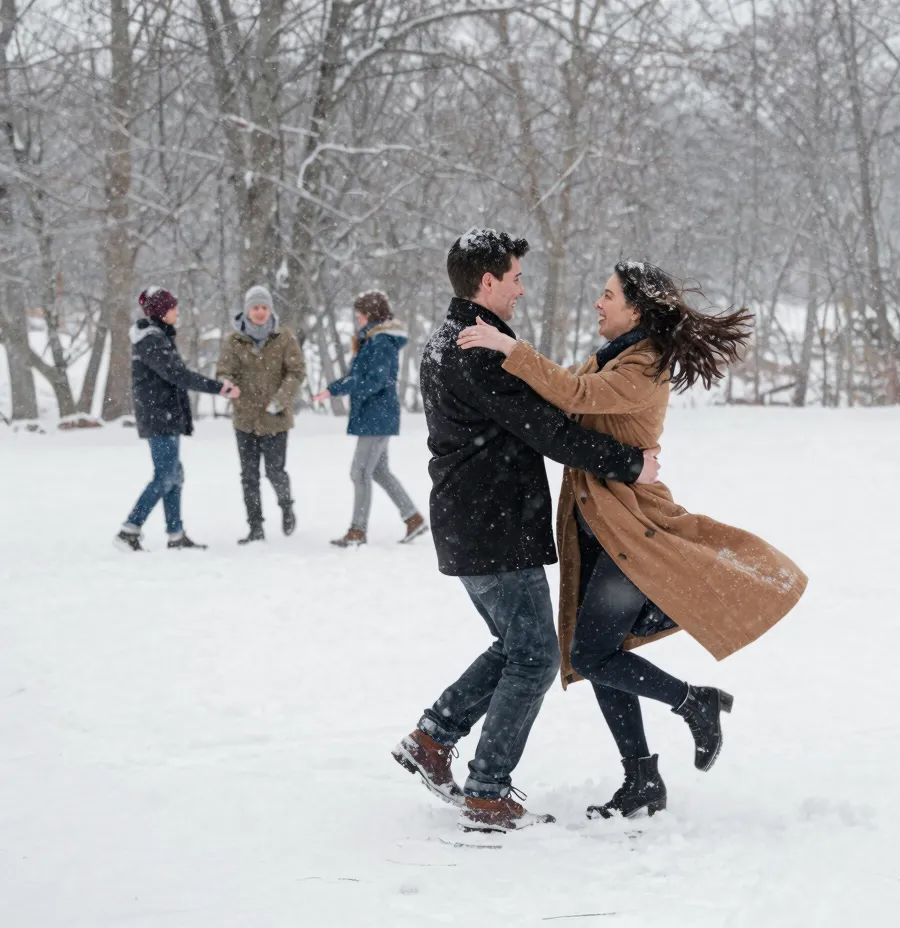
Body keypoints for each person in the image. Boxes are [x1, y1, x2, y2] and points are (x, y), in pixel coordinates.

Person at [456, 260, 808, 820]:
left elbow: (572, 395)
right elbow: (557, 397)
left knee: (589, 653)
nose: (598, 303)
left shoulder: (643, 366)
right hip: (598, 526)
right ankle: (642, 779)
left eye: (607, 295)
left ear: (637, 309)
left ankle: (696, 704)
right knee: (600, 654)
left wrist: (508, 348)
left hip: (630, 530)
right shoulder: (612, 356)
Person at [390, 229, 660, 834]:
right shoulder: (476, 349)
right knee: (536, 656)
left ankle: (433, 739)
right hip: (492, 525)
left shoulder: (450, 340)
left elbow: (544, 413)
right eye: (514, 278)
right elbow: (548, 431)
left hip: (473, 521)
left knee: (517, 645)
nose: (521, 288)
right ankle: (486, 790)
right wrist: (629, 463)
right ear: (487, 282)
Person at [115, 287, 239, 552]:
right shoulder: (151, 340)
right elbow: (178, 375)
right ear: (161, 311)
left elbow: (174, 376)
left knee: (174, 474)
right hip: (159, 415)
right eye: (172, 307)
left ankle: (175, 534)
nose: (177, 311)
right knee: (165, 475)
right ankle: (129, 530)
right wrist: (219, 387)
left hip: (165, 414)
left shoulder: (157, 337)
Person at [311, 290, 426, 547]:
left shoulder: (381, 342)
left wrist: (341, 388)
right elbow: (362, 377)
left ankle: (357, 531)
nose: (358, 320)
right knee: (379, 471)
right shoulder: (372, 341)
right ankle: (413, 519)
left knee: (360, 472)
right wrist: (335, 388)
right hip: (375, 416)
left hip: (377, 417)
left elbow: (376, 380)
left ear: (369, 315)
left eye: (360, 315)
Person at [215, 285, 306, 544]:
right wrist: (226, 384)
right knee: (249, 477)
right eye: (255, 308)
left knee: (275, 472)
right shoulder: (234, 341)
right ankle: (255, 527)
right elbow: (224, 371)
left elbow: (296, 371)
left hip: (276, 419)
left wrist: (281, 400)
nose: (260, 312)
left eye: (264, 307)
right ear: (247, 310)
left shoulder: (284, 337)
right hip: (244, 419)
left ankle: (286, 506)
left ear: (270, 310)